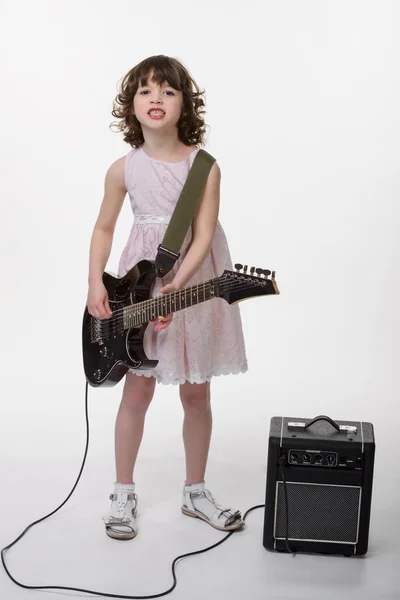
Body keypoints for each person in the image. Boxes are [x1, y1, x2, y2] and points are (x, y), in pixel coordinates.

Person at [86, 55, 248, 540]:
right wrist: (95, 281)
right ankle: (123, 491)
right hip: (139, 284)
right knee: (137, 390)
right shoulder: (123, 169)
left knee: (196, 392)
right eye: (145, 91)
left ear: (185, 105)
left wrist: (180, 282)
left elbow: (202, 234)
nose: (156, 99)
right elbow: (103, 227)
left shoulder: (205, 168)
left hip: (192, 284)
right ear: (130, 105)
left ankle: (195, 490)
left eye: (168, 91)